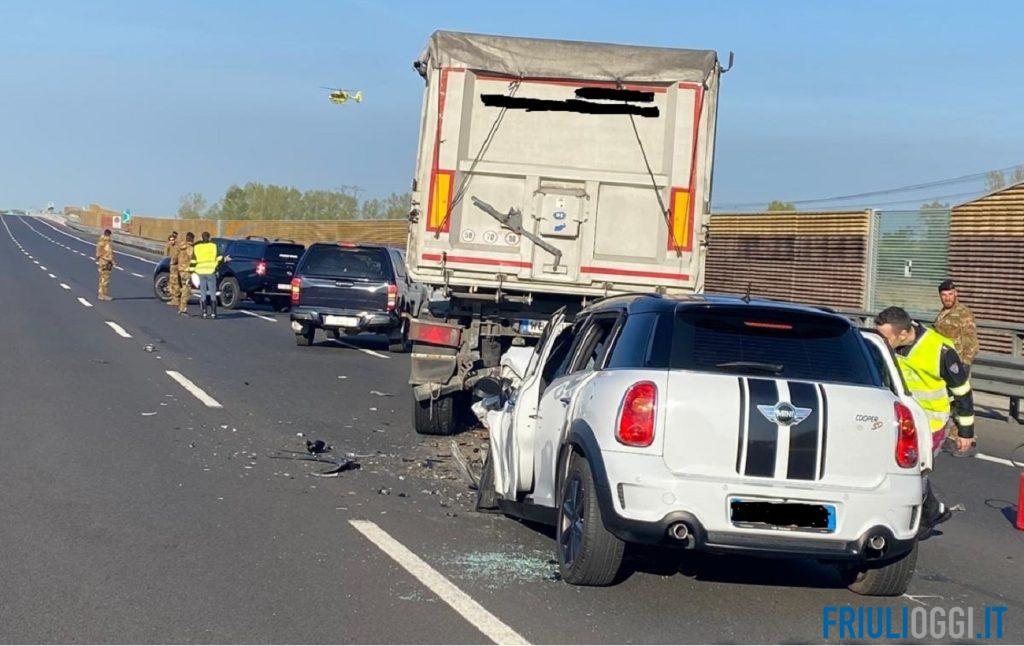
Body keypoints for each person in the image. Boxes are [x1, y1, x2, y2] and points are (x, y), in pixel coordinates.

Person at [875, 306, 976, 537]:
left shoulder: (939, 350)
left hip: (931, 423)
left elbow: (962, 391)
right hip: (899, 419)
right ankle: (933, 511)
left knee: (914, 469)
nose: (881, 341)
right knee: (899, 467)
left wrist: (966, 432)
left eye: (886, 337)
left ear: (903, 334)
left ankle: (919, 521)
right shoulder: (886, 347)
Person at [933, 279, 979, 371]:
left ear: (955, 294)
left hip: (957, 363)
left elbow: (972, 341)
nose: (947, 298)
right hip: (943, 361)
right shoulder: (943, 313)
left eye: (950, 294)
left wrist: (966, 364)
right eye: (944, 295)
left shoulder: (963, 313)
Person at [191, 232, 225, 319]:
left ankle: (204, 313)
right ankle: (213, 313)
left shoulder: (197, 247)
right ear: (209, 237)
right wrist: (217, 267)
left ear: (202, 238)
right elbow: (220, 258)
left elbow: (193, 261)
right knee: (213, 293)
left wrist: (191, 271)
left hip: (200, 272)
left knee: (203, 293)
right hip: (211, 271)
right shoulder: (213, 246)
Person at [176, 232, 195, 316]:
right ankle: (182, 309)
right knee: (186, 290)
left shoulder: (180, 246)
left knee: (183, 287)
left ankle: (180, 306)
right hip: (187, 270)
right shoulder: (190, 248)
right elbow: (192, 257)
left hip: (180, 269)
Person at [95, 229, 115, 301]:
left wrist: (112, 261)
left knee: (103, 279)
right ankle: (103, 295)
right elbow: (100, 253)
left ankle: (101, 294)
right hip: (105, 262)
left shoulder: (103, 242)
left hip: (105, 262)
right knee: (105, 279)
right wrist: (109, 260)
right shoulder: (104, 243)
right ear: (108, 235)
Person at [164, 231, 179, 306]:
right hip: (172, 265)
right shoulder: (169, 246)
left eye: (173, 239)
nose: (172, 241)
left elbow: (176, 256)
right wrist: (168, 245)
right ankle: (174, 298)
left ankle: (175, 299)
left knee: (174, 282)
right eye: (171, 240)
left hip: (175, 265)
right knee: (172, 282)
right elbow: (166, 254)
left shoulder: (177, 246)